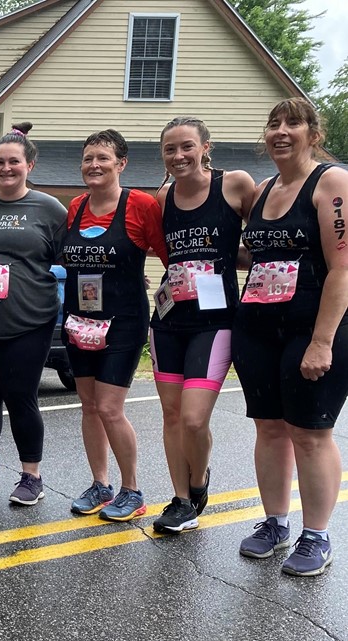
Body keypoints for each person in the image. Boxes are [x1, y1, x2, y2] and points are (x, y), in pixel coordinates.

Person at [232, 98, 348, 576]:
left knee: (310, 432)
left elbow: (342, 267)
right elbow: (257, 255)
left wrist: (322, 341)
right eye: (274, 124)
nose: (281, 132)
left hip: (313, 328)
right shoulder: (263, 190)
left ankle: (316, 535)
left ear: (312, 134)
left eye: (293, 123)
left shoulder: (332, 182)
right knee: (270, 428)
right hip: (259, 328)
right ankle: (275, 523)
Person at [148, 118, 255, 534]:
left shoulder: (235, 185)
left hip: (217, 321)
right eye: (170, 149)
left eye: (186, 147)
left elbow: (262, 238)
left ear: (205, 147)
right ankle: (179, 500)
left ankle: (198, 480)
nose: (178, 156)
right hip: (169, 319)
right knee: (172, 415)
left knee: (194, 419)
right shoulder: (162, 196)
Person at [0, 123, 68, 505]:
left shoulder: (49, 209)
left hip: (27, 321)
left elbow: (66, 256)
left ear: (29, 165)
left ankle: (31, 476)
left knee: (20, 396)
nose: (6, 168)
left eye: (14, 162)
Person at [61, 129, 166, 521]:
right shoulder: (76, 206)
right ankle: (100, 484)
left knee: (109, 407)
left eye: (103, 158)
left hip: (122, 322)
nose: (94, 165)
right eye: (88, 158)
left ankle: (132, 489)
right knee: (88, 406)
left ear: (121, 163)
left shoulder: (139, 204)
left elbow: (167, 254)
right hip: (80, 320)